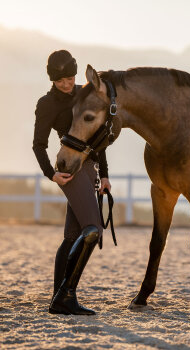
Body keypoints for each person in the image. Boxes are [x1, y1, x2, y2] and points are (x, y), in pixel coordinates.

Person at [32, 50, 111, 315]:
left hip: (91, 166)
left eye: (69, 78)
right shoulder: (47, 104)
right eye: (60, 80)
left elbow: (97, 135)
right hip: (68, 168)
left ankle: (58, 298)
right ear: (52, 80)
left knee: (71, 237)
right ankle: (66, 296)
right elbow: (38, 145)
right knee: (92, 230)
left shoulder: (84, 94)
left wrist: (105, 175)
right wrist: (50, 174)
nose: (66, 84)